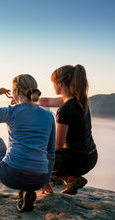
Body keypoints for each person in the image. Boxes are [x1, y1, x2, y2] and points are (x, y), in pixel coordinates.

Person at [0, 74, 55, 212]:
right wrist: (46, 180)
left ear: (16, 91)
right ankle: (25, 192)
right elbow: (50, 153)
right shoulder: (48, 116)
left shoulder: (10, 111)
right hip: (38, 179)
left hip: (12, 176)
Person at [39, 64, 98, 195]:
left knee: (37, 155)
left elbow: (58, 146)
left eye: (53, 83)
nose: (53, 86)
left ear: (60, 84)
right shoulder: (80, 100)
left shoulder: (65, 109)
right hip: (91, 157)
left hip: (76, 161)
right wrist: (26, 100)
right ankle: (59, 176)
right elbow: (47, 101)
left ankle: (71, 178)